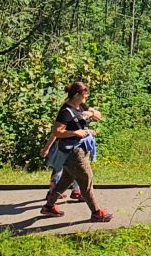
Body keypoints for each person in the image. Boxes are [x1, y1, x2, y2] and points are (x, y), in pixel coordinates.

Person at [41, 80, 113, 222]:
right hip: (72, 152)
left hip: (80, 149)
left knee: (66, 180)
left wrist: (91, 113)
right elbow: (57, 131)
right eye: (84, 95)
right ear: (76, 95)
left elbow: (98, 116)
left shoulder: (80, 106)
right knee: (86, 179)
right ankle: (97, 213)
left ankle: (48, 207)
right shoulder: (66, 111)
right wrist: (75, 133)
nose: (86, 98)